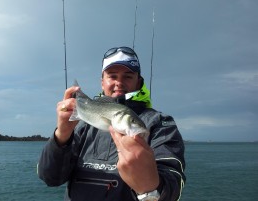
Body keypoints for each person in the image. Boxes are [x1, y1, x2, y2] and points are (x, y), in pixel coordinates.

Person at [38, 46, 186, 201]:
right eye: (112, 76)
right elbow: (51, 178)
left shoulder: (161, 123)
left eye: (128, 76)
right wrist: (61, 135)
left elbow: (173, 183)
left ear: (139, 82)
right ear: (102, 82)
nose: (119, 83)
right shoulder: (82, 125)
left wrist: (149, 188)